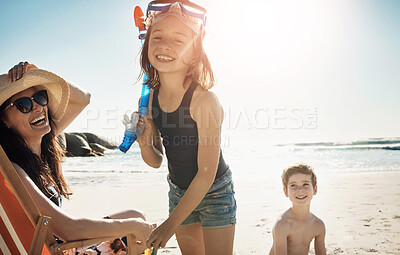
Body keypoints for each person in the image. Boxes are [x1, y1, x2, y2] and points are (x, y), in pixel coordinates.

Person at [0, 62, 154, 254]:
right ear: (4, 120)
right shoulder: (13, 169)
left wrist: (38, 72)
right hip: (59, 248)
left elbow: (83, 99)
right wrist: (133, 226)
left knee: (136, 216)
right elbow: (68, 230)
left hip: (56, 244)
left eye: (40, 97)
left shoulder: (42, 146)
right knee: (135, 227)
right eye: (24, 105)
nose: (38, 108)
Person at [134, 1, 236, 254]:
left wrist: (170, 224)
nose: (165, 45)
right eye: (157, 37)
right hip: (179, 192)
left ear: (195, 51)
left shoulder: (204, 101)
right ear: (146, 43)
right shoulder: (148, 100)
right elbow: (155, 161)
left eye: (179, 41)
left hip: (214, 190)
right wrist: (145, 141)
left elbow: (206, 173)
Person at [269, 164, 326, 255]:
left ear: (315, 189)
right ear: (285, 192)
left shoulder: (318, 225)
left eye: (305, 184)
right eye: (293, 185)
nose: (300, 189)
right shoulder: (282, 224)